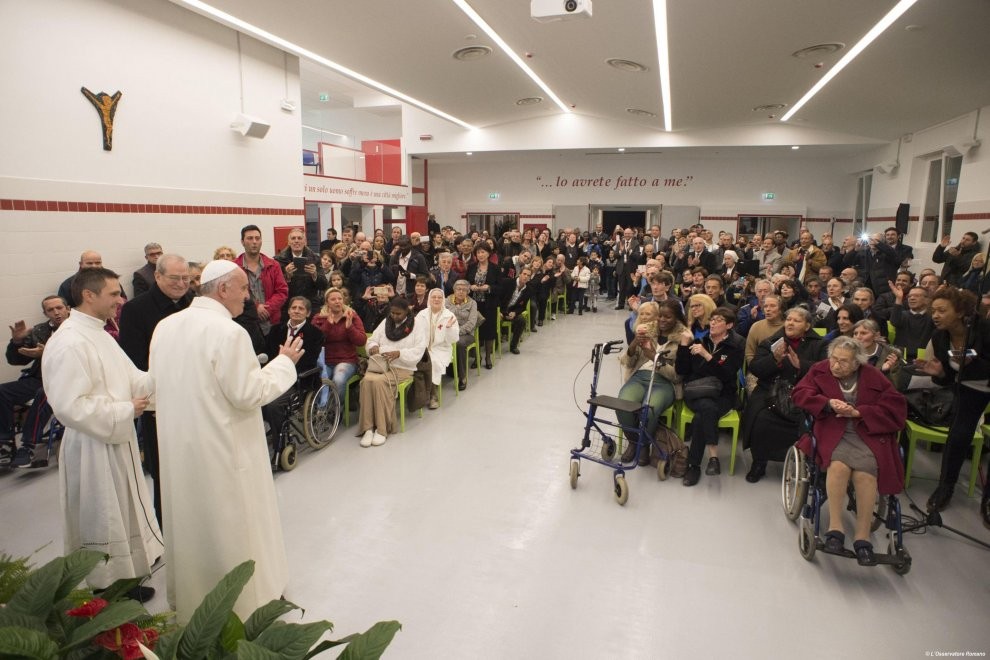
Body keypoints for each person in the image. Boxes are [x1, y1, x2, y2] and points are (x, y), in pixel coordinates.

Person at [150, 260, 304, 623]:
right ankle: (249, 601)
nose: (248, 297)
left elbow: (158, 385)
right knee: (237, 524)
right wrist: (284, 363)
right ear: (222, 289)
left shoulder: (166, 327)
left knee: (193, 523)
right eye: (243, 289)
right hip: (226, 450)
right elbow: (248, 393)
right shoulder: (228, 332)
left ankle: (193, 599)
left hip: (181, 448)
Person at [41, 267, 162, 601]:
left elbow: (132, 378)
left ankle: (124, 579)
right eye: (113, 294)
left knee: (121, 513)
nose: (120, 300)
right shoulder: (69, 342)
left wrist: (166, 372)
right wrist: (125, 410)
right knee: (103, 517)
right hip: (92, 445)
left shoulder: (98, 333)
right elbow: (68, 406)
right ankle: (105, 587)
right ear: (89, 296)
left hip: (114, 438)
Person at [792, 336, 908, 564]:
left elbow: (896, 406)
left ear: (857, 363)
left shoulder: (873, 375)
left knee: (865, 474)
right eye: (834, 359)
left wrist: (859, 412)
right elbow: (800, 393)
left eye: (843, 362)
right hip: (832, 430)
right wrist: (827, 403)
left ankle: (862, 538)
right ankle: (835, 529)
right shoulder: (819, 370)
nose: (836, 365)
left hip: (866, 432)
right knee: (838, 467)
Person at [118, 254, 193, 526]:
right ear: (158, 276)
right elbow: (134, 361)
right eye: (175, 278)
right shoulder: (136, 310)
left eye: (186, 278)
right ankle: (168, 531)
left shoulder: (193, 304)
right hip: (159, 405)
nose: (181, 284)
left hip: (194, 401)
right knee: (165, 473)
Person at [913, 288, 990, 514]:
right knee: (957, 436)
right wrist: (938, 373)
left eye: (941, 310)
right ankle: (945, 487)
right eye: (933, 310)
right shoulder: (939, 337)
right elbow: (949, 377)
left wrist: (971, 361)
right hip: (969, 390)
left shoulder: (984, 329)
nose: (935, 315)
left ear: (959, 311)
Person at [743, 306, 827, 483]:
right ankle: (759, 462)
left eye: (797, 320)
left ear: (807, 326)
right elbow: (755, 369)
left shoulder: (819, 344)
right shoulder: (771, 342)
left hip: (804, 392)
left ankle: (808, 464)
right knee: (760, 418)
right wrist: (775, 360)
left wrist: (801, 366)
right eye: (788, 319)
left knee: (812, 419)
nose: (790, 323)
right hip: (771, 391)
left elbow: (827, 371)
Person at [676, 306, 745, 486]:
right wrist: (684, 345)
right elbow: (682, 370)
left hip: (723, 394)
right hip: (696, 392)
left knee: (703, 414)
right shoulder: (701, 340)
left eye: (719, 320)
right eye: (712, 319)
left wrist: (707, 356)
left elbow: (727, 375)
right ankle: (713, 457)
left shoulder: (737, 345)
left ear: (729, 325)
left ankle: (694, 466)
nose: (713, 323)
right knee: (707, 406)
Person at [2, 295, 69, 468]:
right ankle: (5, 443)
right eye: (50, 310)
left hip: (67, 379)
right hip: (39, 377)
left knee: (44, 392)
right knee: (3, 391)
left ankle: (28, 445)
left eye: (59, 308)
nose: (56, 313)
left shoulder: (77, 329)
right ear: (45, 313)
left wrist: (48, 352)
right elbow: (16, 360)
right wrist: (16, 342)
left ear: (67, 308)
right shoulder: (40, 331)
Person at [616, 301, 683, 465]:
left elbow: (677, 376)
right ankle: (635, 442)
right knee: (623, 404)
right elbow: (629, 363)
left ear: (677, 318)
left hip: (665, 382)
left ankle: (644, 444)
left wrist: (654, 357)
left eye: (668, 317)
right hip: (640, 376)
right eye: (660, 315)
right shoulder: (648, 331)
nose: (662, 320)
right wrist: (633, 344)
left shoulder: (683, 339)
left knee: (649, 409)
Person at [359, 296, 427, 446]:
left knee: (378, 382)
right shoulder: (386, 322)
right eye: (392, 313)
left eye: (398, 314)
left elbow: (419, 351)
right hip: (381, 365)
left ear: (407, 312)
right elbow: (371, 340)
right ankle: (368, 428)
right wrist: (373, 347)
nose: (394, 316)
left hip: (404, 367)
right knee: (366, 381)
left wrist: (399, 353)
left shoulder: (418, 326)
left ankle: (382, 429)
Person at [262, 296, 325, 442]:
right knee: (256, 399)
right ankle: (273, 426)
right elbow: (268, 354)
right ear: (289, 310)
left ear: (308, 313)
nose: (296, 311)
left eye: (301, 308)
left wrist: (284, 367)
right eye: (294, 308)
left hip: (298, 380)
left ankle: (281, 442)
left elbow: (308, 362)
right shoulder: (275, 330)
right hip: (273, 376)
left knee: (273, 405)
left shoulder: (315, 334)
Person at [311, 287, 366, 402]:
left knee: (339, 379)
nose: (337, 301)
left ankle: (335, 411)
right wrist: (328, 325)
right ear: (327, 303)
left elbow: (361, 341)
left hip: (346, 360)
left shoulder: (352, 316)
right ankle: (319, 410)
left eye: (340, 298)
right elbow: (314, 341)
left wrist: (349, 327)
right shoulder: (318, 318)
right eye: (333, 299)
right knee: (318, 379)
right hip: (324, 360)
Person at [235, 225, 289, 337]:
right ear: (242, 242)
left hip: (271, 323)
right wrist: (255, 307)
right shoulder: (234, 267)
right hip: (245, 324)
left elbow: (282, 291)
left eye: (257, 238)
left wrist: (267, 309)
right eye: (250, 238)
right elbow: (234, 294)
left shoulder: (273, 265)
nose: (254, 242)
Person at [416, 288, 459, 409]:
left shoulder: (449, 315)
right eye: (433, 297)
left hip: (441, 349)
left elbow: (454, 339)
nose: (436, 299)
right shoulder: (422, 314)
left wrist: (449, 329)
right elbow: (416, 333)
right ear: (429, 299)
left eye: (439, 297)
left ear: (443, 300)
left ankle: (432, 395)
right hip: (423, 349)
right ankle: (418, 393)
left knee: (432, 362)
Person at [466, 242, 502, 369]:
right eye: (478, 252)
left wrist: (489, 287)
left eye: (483, 252)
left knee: (489, 332)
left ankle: (487, 357)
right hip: (474, 305)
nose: (480, 255)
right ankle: (477, 357)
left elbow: (500, 287)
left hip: (489, 304)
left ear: (488, 253)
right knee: (476, 331)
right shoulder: (471, 267)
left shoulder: (495, 268)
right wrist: (471, 287)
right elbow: (466, 283)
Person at [275, 227, 327, 314]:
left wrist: (315, 275)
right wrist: (286, 276)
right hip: (288, 306)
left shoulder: (315, 259)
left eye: (299, 238)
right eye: (293, 238)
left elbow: (324, 285)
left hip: (310, 306)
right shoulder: (278, 260)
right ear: (289, 242)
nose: (296, 241)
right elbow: (274, 287)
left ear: (305, 242)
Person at [446, 280, 479, 391]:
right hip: (447, 331)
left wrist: (456, 332)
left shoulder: (472, 303)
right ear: (454, 290)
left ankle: (462, 377)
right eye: (458, 289)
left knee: (459, 343)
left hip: (466, 334)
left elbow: (471, 323)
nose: (461, 292)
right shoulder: (446, 301)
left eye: (464, 290)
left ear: (468, 292)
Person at [851, 319, 900, 384]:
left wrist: (884, 372)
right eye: (855, 333)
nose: (858, 337)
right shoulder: (849, 354)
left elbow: (895, 386)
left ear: (876, 335)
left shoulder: (891, 354)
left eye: (863, 333)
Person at [499, 266, 534, 355]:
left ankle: (513, 346)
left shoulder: (529, 290)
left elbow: (523, 307)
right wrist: (498, 311)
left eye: (528, 275)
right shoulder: (507, 282)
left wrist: (515, 312)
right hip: (500, 309)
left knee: (521, 320)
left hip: (512, 311)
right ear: (520, 274)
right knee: (496, 319)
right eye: (524, 274)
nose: (526, 277)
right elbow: (497, 298)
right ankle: (495, 343)